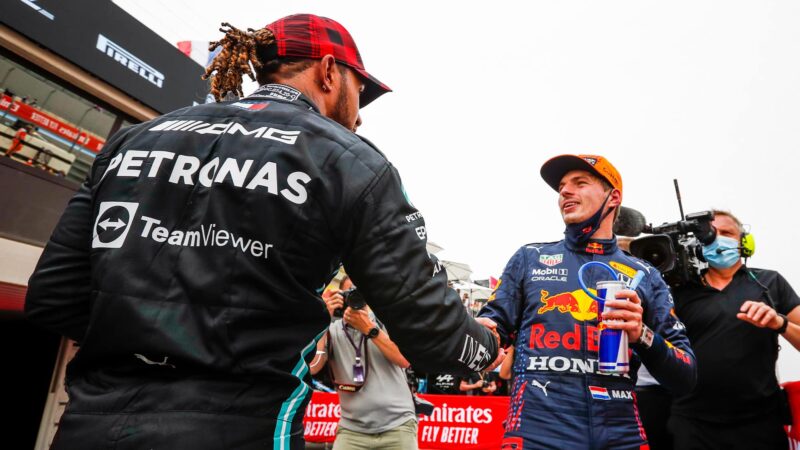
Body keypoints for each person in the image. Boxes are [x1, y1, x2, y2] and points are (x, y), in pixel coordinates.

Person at [25, 14, 499, 449]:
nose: (360, 115)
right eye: (360, 91)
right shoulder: (350, 161)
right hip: (240, 427)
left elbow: (54, 297)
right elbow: (437, 341)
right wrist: (488, 345)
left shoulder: (136, 137)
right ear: (329, 72)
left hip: (92, 424)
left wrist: (147, 347)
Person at [478, 154, 697, 449]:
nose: (565, 191)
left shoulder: (645, 275)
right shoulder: (529, 259)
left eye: (580, 183)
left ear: (613, 197)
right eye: (562, 187)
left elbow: (686, 377)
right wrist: (477, 332)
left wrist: (642, 335)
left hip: (621, 435)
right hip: (537, 433)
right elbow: (491, 334)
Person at [668, 210, 800, 450]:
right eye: (709, 234)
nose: (717, 240)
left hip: (761, 422)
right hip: (694, 423)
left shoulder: (770, 282)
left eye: (726, 233)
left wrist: (779, 322)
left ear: (744, 242)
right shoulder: (678, 291)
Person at [311, 276, 418, 449]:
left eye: (358, 292)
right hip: (352, 429)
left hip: (398, 426)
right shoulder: (333, 329)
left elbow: (405, 360)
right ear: (340, 296)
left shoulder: (385, 321)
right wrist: (322, 318)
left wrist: (370, 329)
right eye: (349, 292)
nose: (354, 298)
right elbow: (313, 367)